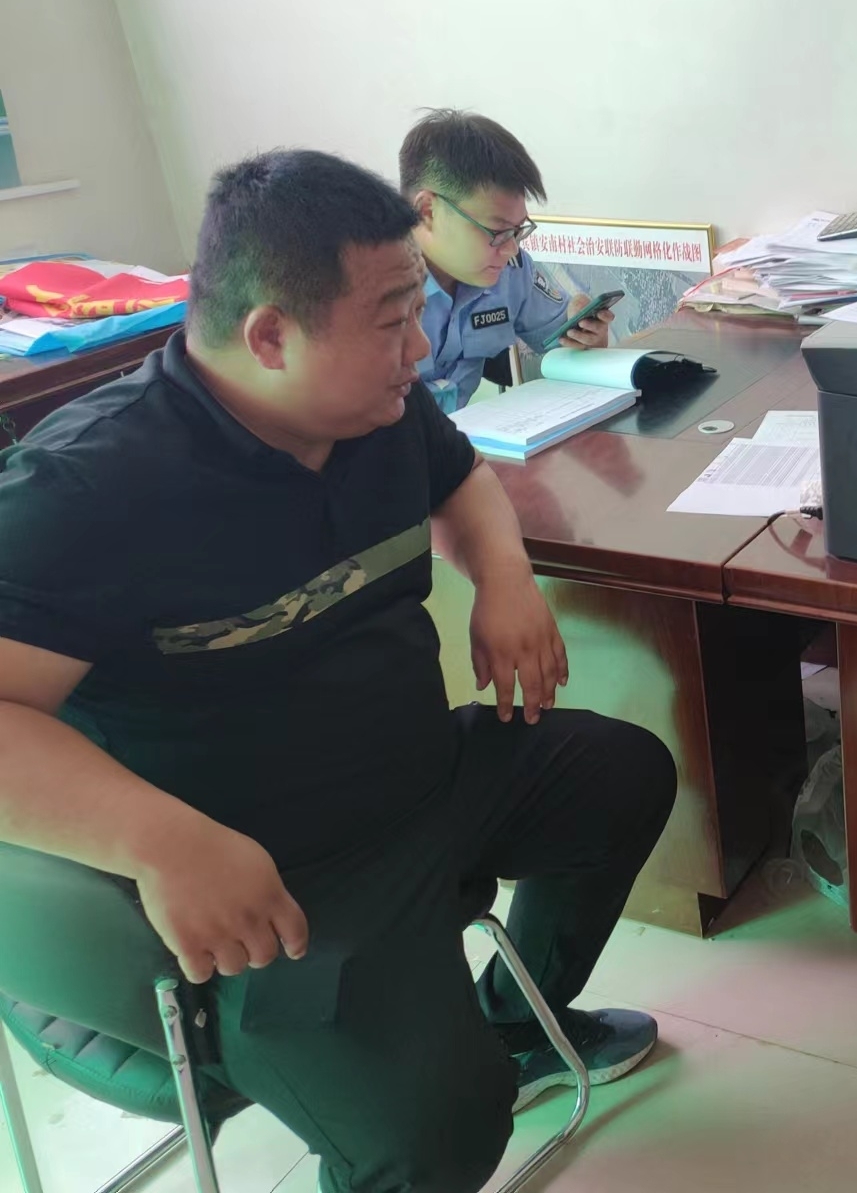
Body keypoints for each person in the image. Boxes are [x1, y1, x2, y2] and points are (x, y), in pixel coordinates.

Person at [0, 150, 677, 1193]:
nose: (422, 347)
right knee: (441, 1133)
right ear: (271, 335)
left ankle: (516, 1024)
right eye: (392, 320)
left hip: (419, 778)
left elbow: (465, 480)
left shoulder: (374, 409)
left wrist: (504, 578)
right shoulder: (88, 486)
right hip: (266, 880)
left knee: (623, 774)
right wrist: (159, 840)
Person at [401, 108, 616, 410]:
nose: (512, 249)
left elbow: (564, 344)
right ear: (427, 211)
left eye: (517, 230)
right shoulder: (367, 287)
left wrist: (589, 337)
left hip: (467, 434)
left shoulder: (510, 272)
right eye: (497, 231)